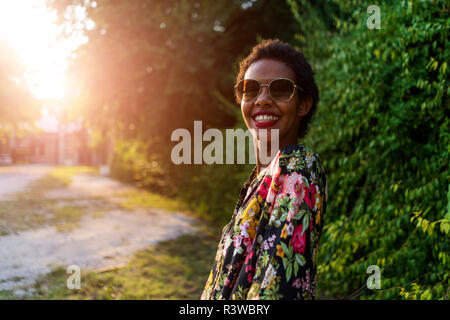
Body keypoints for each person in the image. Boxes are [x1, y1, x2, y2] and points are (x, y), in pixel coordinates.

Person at [201, 39, 328, 300]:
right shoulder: (257, 181)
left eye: (281, 90)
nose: (262, 100)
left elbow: (273, 292)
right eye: (251, 90)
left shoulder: (298, 168)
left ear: (303, 104)